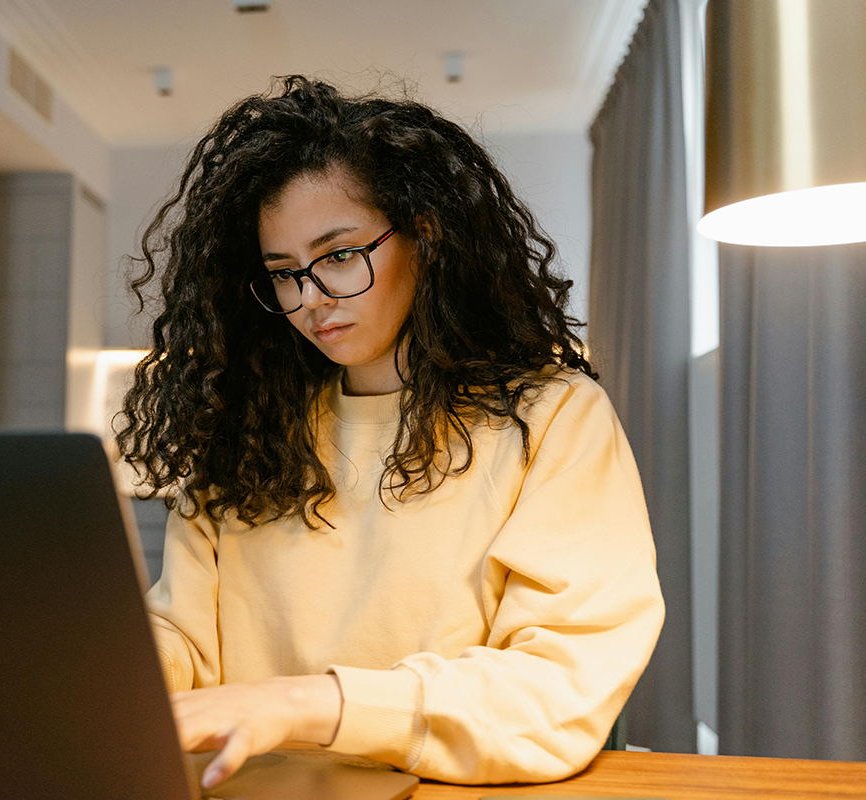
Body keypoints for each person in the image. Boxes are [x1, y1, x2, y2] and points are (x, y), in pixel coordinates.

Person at [115, 75, 664, 789]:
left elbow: (559, 685)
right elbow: (185, 637)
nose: (310, 299)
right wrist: (102, 677)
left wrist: (306, 704)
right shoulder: (246, 431)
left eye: (339, 255)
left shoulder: (553, 418)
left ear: (425, 234)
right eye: (284, 273)